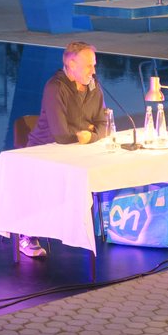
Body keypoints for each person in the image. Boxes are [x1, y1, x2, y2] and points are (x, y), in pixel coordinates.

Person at [19, 41, 108, 258]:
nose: (93, 71)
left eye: (94, 65)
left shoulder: (94, 85)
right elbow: (61, 134)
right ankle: (26, 234)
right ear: (71, 64)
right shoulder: (55, 87)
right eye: (89, 66)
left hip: (78, 150)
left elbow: (104, 124)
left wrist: (91, 134)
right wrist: (87, 130)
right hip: (45, 153)